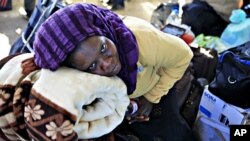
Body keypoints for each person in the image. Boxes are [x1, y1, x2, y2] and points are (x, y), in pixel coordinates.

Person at [2, 3, 194, 141]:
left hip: (162, 85)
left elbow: (184, 55)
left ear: (103, 31)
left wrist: (151, 98)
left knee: (170, 132)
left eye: (103, 48)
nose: (107, 63)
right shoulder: (75, 75)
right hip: (131, 101)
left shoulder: (142, 41)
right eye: (92, 66)